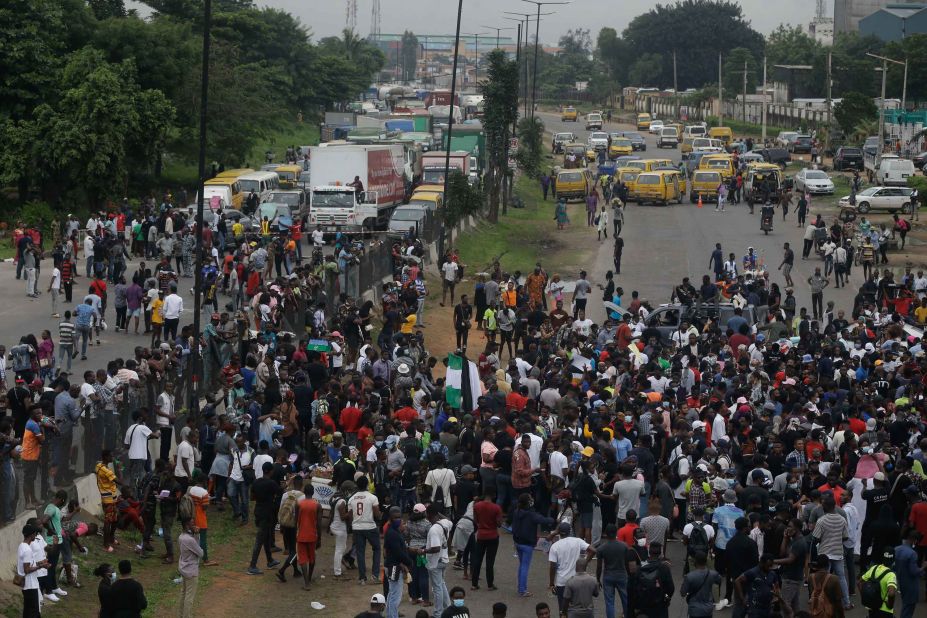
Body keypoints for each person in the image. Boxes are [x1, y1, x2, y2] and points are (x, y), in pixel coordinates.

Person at [549, 521, 594, 616]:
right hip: (576, 580)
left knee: (562, 609)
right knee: (577, 607)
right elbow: (593, 550)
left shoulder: (555, 546)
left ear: (559, 532)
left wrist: (551, 583)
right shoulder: (577, 541)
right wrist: (585, 563)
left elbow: (552, 566)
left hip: (562, 582)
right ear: (570, 531)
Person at [349, 475, 382, 585]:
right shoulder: (372, 497)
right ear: (367, 485)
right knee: (377, 549)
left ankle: (362, 578)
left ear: (357, 485)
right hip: (370, 526)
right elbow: (377, 514)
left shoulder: (351, 499)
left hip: (357, 527)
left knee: (360, 552)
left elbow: (350, 515)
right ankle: (375, 575)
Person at [632, 542, 674, 618]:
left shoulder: (640, 567)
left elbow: (634, 588)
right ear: (660, 553)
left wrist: (635, 605)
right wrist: (667, 598)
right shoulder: (664, 568)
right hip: (659, 605)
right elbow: (671, 588)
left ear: (649, 552)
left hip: (643, 605)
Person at [596, 524, 630, 618]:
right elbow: (627, 562)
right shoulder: (624, 546)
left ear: (606, 534)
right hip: (622, 575)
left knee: (609, 602)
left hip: (608, 576)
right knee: (625, 599)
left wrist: (598, 579)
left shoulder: (601, 548)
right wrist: (629, 575)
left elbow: (599, 566)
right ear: (616, 533)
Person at [734, 553, 780, 618]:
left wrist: (776, 595)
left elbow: (777, 585)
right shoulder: (752, 572)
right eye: (768, 566)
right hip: (755, 608)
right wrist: (742, 598)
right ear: (762, 563)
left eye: (771, 566)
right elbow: (737, 581)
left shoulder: (772, 574)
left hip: (767, 607)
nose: (770, 568)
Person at [680, 551, 721, 618]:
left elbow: (682, 593)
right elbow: (719, 581)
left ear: (695, 561)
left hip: (694, 610)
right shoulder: (713, 574)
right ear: (706, 561)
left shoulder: (690, 576)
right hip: (708, 609)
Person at [858, 548, 897, 618]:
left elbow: (859, 582)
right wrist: (890, 605)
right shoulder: (891, 575)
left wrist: (864, 597)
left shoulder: (874, 568)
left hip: (872, 607)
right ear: (893, 560)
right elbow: (891, 593)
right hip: (885, 611)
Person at [893, 528, 923, 618]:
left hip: (901, 581)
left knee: (905, 606)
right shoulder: (912, 554)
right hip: (911, 584)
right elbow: (914, 571)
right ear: (914, 540)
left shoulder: (897, 549)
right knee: (908, 609)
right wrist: (923, 568)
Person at [177, 517, 204, 618]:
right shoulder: (190, 540)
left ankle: (181, 615)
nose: (194, 525)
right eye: (192, 524)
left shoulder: (181, 536)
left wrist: (195, 534)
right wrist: (197, 535)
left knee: (183, 594)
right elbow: (201, 553)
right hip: (191, 571)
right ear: (187, 526)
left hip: (184, 568)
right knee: (189, 597)